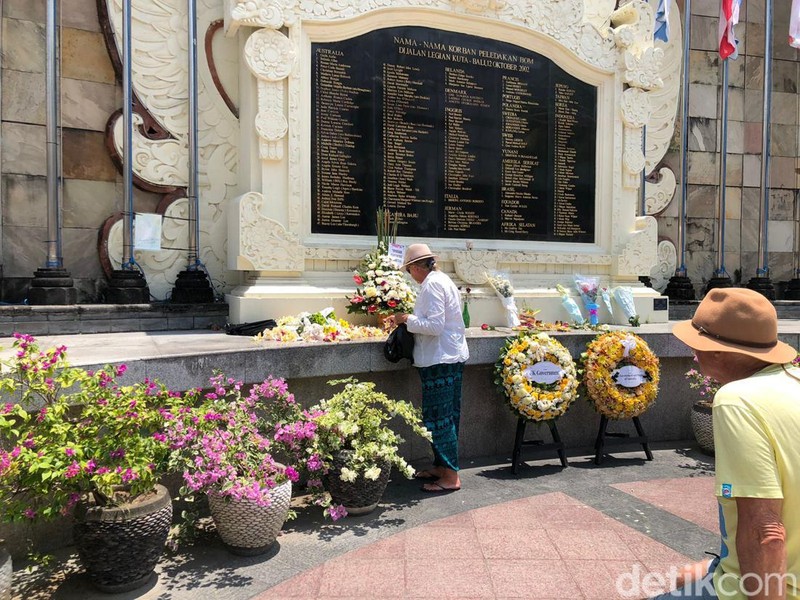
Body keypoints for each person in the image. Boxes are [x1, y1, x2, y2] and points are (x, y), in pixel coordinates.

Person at [656, 287, 800, 599]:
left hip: (772, 588)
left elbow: (766, 535)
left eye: (698, 345)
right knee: (686, 577)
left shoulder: (737, 401)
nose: (694, 354)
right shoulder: (793, 383)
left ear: (718, 351)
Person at [387, 243, 469, 493]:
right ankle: (442, 467)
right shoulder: (440, 280)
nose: (410, 276)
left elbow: (434, 326)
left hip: (440, 359)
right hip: (446, 356)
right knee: (444, 417)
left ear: (415, 267)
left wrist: (405, 319)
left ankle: (450, 477)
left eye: (409, 271)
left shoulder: (432, 284)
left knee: (439, 420)